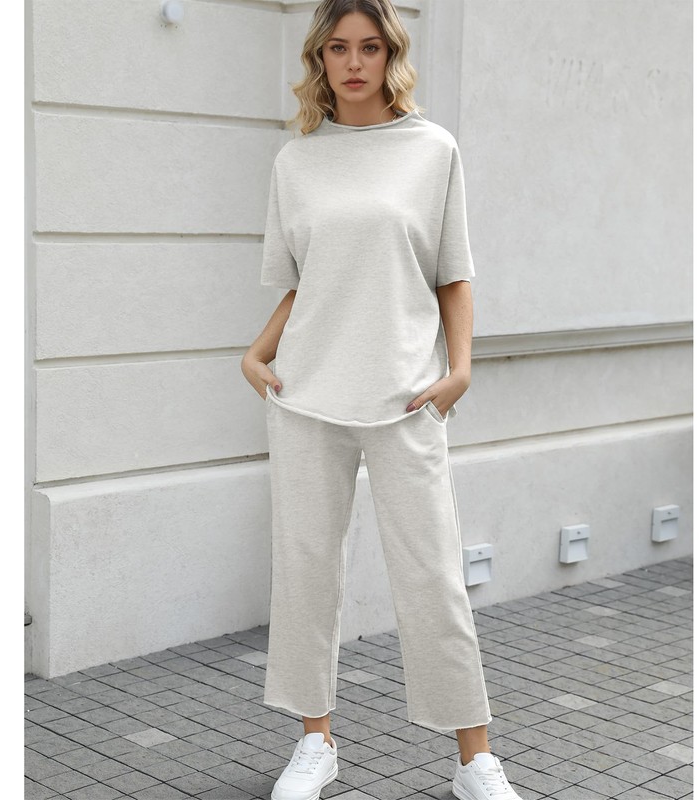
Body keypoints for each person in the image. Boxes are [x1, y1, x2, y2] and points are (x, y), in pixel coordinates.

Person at [241, 2, 524, 798]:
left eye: (370, 47)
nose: (354, 62)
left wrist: (460, 370)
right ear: (320, 59)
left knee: (432, 575)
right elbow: (307, 283)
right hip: (306, 393)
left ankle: (474, 759)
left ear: (390, 55)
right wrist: (256, 353)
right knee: (304, 572)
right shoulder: (295, 162)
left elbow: (453, 274)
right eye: (339, 48)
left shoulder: (432, 151)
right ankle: (315, 743)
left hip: (405, 394)